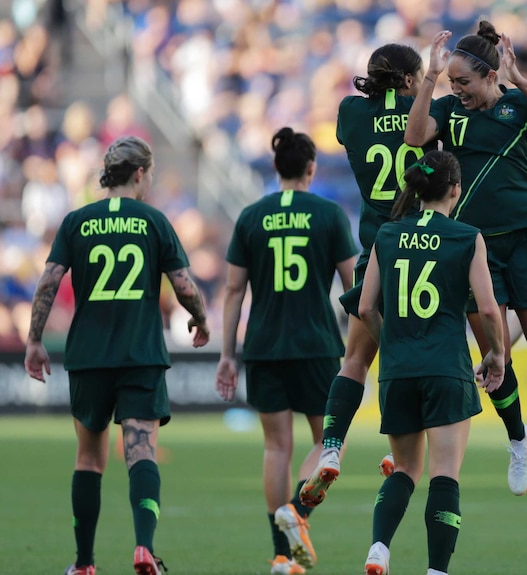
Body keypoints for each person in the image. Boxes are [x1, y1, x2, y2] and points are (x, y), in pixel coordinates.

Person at [405, 22, 527, 495]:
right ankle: (517, 437)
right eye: (453, 83)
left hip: (526, 239)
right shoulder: (449, 111)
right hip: (476, 248)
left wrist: (521, 79)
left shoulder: (517, 105)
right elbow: (413, 138)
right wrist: (431, 77)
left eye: (463, 82)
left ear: (490, 76)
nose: (458, 91)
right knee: (495, 355)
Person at [23, 136, 210, 575]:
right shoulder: (153, 220)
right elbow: (184, 285)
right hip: (140, 354)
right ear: (141, 174)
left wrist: (34, 339)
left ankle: (84, 563)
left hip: (89, 355)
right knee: (141, 454)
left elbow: (48, 283)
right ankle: (144, 548)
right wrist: (200, 319)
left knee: (89, 458)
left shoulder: (76, 221)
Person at [214, 127, 357, 575]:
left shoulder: (252, 216)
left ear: (276, 169)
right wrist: (360, 350)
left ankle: (281, 555)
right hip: (315, 345)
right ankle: (299, 511)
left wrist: (227, 355)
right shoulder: (329, 214)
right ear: (311, 169)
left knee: (277, 448)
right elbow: (354, 287)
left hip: (263, 346)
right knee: (328, 441)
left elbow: (234, 291)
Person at [298, 43, 435, 507]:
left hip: (377, 247)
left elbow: (367, 116)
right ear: (412, 80)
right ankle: (403, 454)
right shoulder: (429, 110)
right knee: (429, 354)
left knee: (356, 360)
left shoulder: (350, 112)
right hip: (428, 250)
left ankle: (331, 448)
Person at [358, 150, 505, 575]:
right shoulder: (466, 236)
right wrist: (495, 354)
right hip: (446, 369)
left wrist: (394, 344)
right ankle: (436, 570)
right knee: (445, 474)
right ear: (455, 190)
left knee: (404, 468)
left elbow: (366, 308)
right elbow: (490, 310)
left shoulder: (387, 233)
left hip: (398, 370)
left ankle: (379, 548)